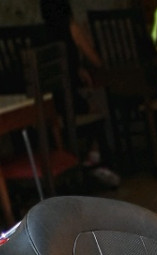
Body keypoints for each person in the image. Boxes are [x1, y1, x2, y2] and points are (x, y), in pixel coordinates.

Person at [40, 0, 121, 188]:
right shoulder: (71, 28)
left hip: (50, 106)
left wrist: (78, 69)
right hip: (70, 102)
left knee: (89, 101)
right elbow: (96, 60)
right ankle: (96, 157)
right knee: (99, 106)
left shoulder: (42, 33)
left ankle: (77, 160)